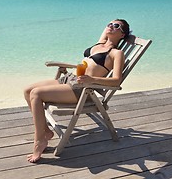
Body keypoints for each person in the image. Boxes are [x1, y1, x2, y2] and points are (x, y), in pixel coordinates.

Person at [23, 19, 130, 163]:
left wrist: (92, 79)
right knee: (28, 90)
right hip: (70, 79)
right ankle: (46, 131)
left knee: (36, 94)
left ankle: (39, 140)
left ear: (122, 34)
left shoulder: (116, 53)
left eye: (116, 26)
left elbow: (116, 80)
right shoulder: (100, 43)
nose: (111, 26)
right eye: (109, 24)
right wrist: (111, 28)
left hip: (83, 89)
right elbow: (106, 31)